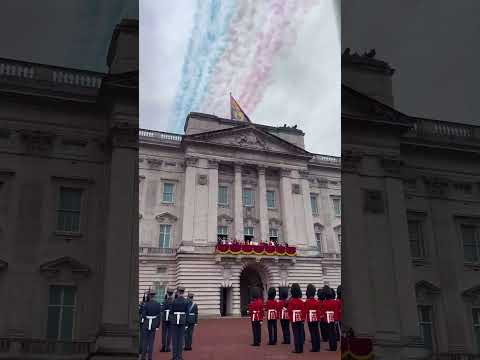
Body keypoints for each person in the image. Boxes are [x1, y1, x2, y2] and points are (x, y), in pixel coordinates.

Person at [140, 289, 162, 360]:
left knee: (144, 341)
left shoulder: (146, 304)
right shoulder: (158, 304)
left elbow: (143, 315)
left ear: (149, 296)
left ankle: (143, 357)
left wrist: (142, 322)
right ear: (154, 296)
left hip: (146, 323)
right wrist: (157, 326)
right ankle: (150, 357)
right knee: (151, 342)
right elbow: (159, 316)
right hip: (153, 324)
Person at [171, 286, 190, 360]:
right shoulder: (186, 301)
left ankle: (174, 356)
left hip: (175, 320)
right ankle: (180, 356)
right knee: (181, 339)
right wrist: (186, 323)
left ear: (178, 292)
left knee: (174, 339)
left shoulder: (174, 301)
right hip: (182, 321)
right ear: (183, 292)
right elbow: (187, 313)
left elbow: (171, 312)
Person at [287, 283, 305, 354]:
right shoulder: (301, 302)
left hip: (294, 319)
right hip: (300, 319)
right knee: (300, 333)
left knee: (296, 334)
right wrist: (303, 319)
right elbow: (304, 311)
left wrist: (291, 317)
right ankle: (301, 348)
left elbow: (289, 310)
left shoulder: (291, 302)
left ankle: (297, 349)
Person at [305, 284, 321, 352]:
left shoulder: (307, 302)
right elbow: (319, 311)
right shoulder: (317, 302)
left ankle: (314, 347)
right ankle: (318, 346)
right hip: (316, 318)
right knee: (317, 332)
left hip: (310, 318)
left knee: (312, 333)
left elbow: (305, 310)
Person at [322, 286, 338, 351]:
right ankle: (334, 346)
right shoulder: (334, 302)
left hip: (327, 318)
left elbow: (323, 311)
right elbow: (336, 311)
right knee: (333, 332)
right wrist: (336, 319)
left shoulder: (324, 302)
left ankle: (331, 347)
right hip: (333, 317)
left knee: (330, 333)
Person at [160, 288, 174, 352]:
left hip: (165, 317)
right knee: (169, 333)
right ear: (172, 294)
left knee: (164, 333)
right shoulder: (174, 301)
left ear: (167, 293)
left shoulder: (164, 301)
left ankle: (163, 347)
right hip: (171, 318)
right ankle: (168, 347)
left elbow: (161, 309)